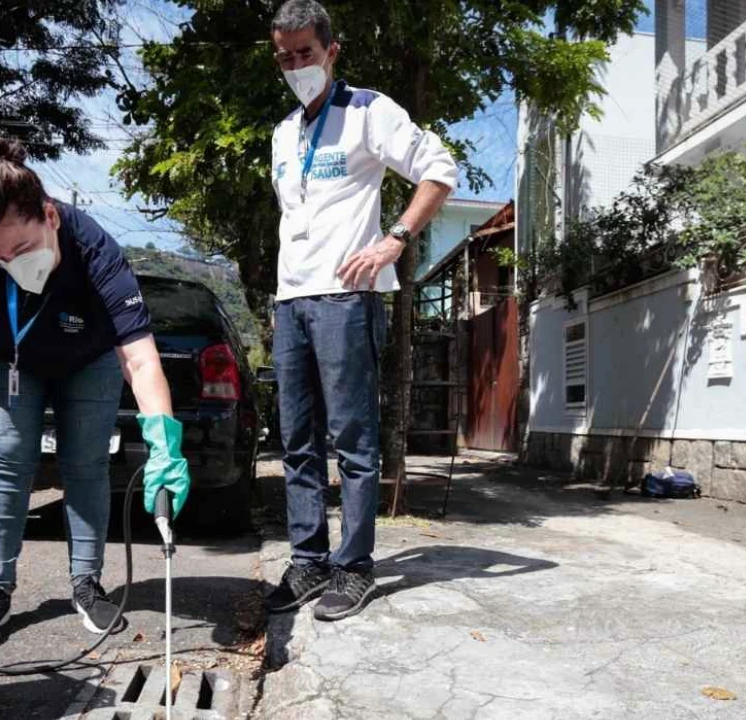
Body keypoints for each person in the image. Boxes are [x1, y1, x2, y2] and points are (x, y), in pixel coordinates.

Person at [0, 137, 191, 648]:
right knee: (6, 460)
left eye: (23, 249)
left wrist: (163, 441)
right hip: (3, 355)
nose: (11, 261)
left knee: (86, 463)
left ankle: (86, 582)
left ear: (49, 216)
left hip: (87, 357)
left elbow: (139, 357)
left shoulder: (95, 247)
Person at [264, 1, 458, 621]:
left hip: (347, 298)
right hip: (290, 300)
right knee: (296, 442)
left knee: (352, 440)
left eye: (307, 54)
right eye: (286, 57)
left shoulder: (368, 111)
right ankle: (308, 562)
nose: (298, 66)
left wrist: (394, 238)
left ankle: (355, 567)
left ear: (331, 50)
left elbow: (439, 169)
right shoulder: (283, 132)